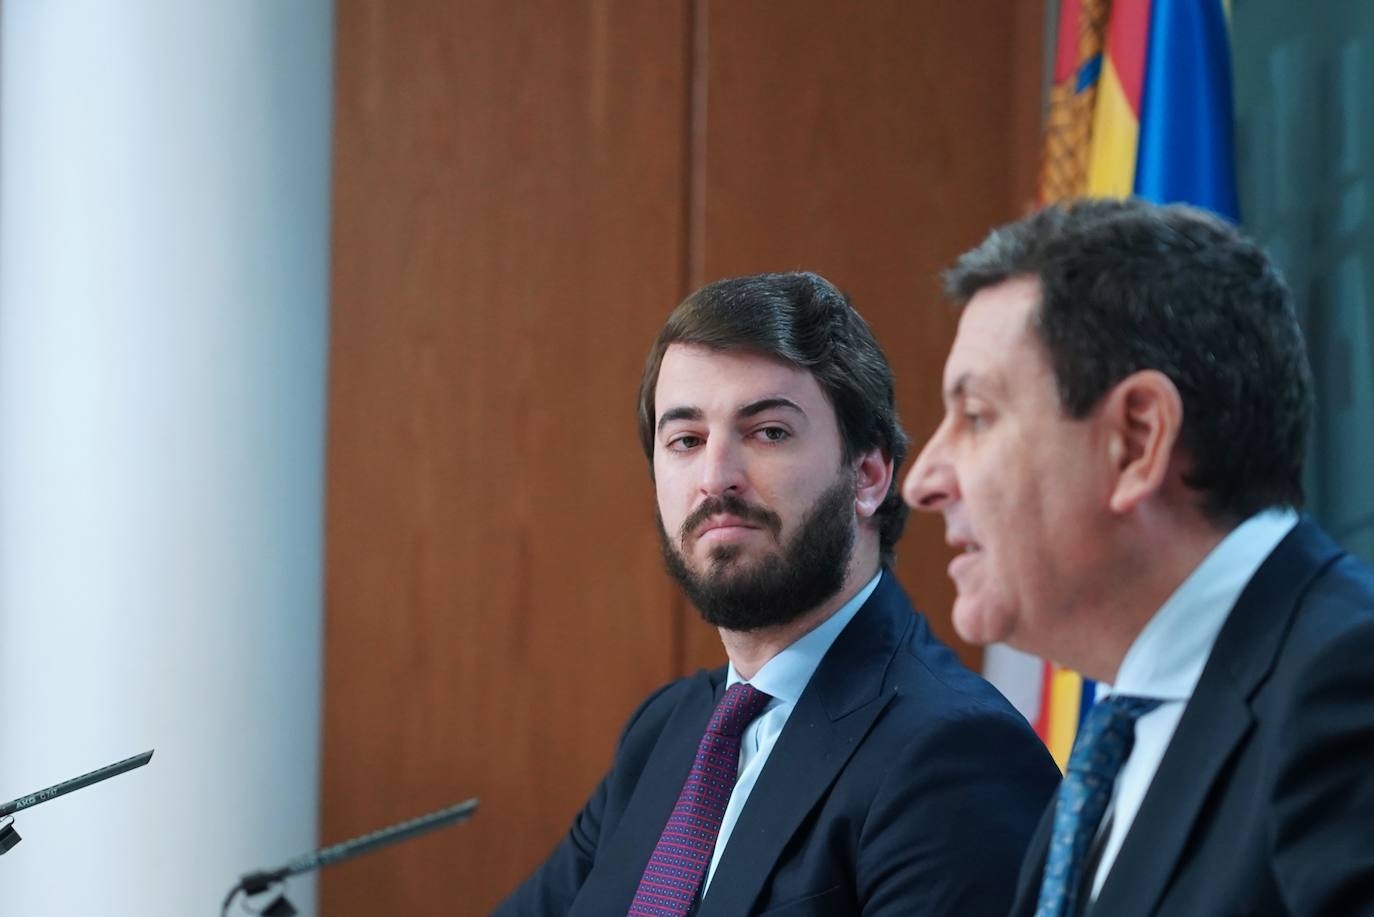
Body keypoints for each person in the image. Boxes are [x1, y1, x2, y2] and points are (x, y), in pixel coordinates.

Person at [496, 272, 1059, 916]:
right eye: (686, 440)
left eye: (768, 432)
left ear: (869, 475)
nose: (715, 478)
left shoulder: (956, 753)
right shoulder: (664, 731)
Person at [903, 198, 1374, 917]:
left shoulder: (1347, 687)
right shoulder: (1109, 750)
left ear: (1136, 438)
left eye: (975, 416)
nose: (924, 479)